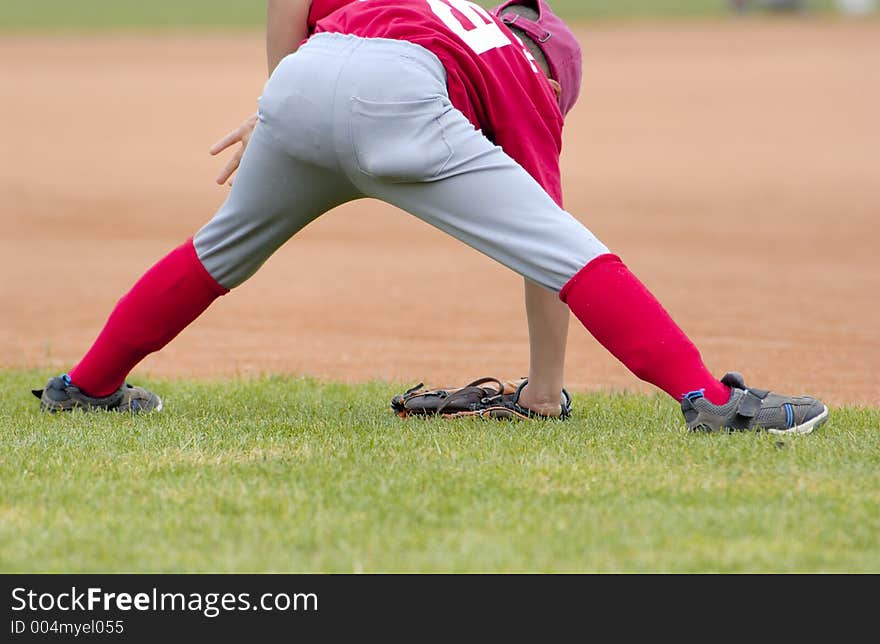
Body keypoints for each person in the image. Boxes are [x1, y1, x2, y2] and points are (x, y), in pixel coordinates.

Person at [33, 0, 828, 434]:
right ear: (555, 75)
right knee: (575, 252)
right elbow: (552, 262)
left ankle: (84, 386)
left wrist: (274, 104)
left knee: (217, 254)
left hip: (307, 74)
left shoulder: (442, 10)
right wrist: (544, 394)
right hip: (404, 95)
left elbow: (292, 3)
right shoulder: (526, 78)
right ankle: (713, 405)